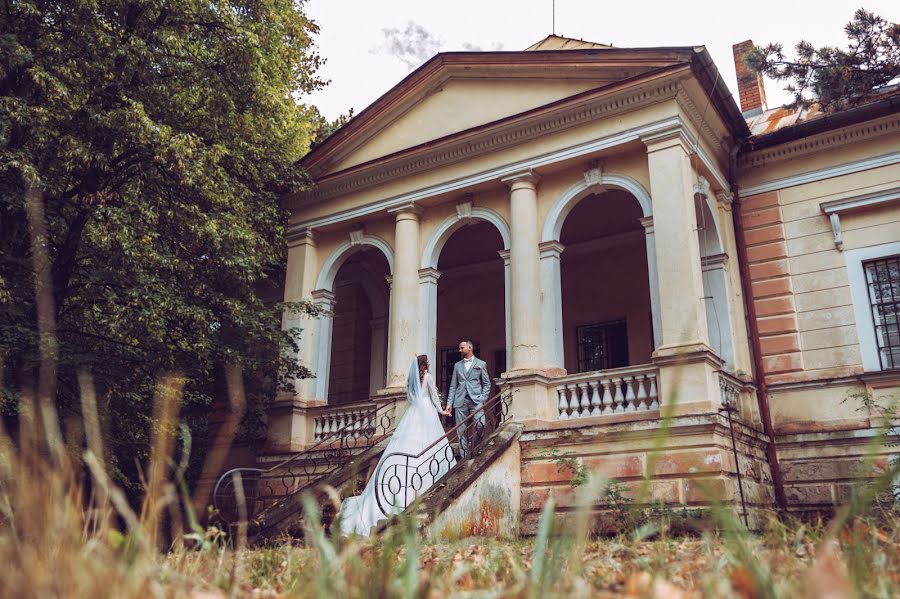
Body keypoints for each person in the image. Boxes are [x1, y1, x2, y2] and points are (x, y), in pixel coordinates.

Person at [336, 355, 454, 537]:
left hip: (414, 411)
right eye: (428, 362)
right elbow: (433, 396)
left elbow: (411, 396)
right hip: (427, 411)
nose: (429, 364)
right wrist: (442, 411)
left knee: (409, 444)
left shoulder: (411, 379)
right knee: (429, 443)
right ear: (425, 365)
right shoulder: (429, 377)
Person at [447, 339, 491, 459]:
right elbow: (453, 386)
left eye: (462, 348)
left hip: (476, 400)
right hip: (460, 401)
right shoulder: (457, 366)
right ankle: (464, 456)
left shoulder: (481, 364)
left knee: (480, 424)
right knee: (461, 431)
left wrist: (483, 398)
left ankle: (476, 449)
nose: (460, 350)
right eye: (460, 348)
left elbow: (487, 383)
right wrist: (449, 403)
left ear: (470, 348)